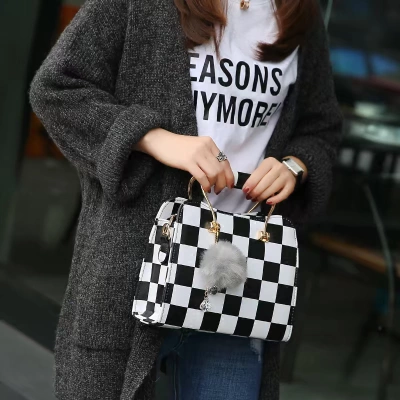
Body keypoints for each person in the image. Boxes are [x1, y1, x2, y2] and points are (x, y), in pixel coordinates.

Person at [29, 0, 343, 399]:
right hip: (131, 269)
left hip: (240, 282)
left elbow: (321, 126)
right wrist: (156, 139)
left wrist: (295, 165)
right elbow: (56, 88)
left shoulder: (297, 13)